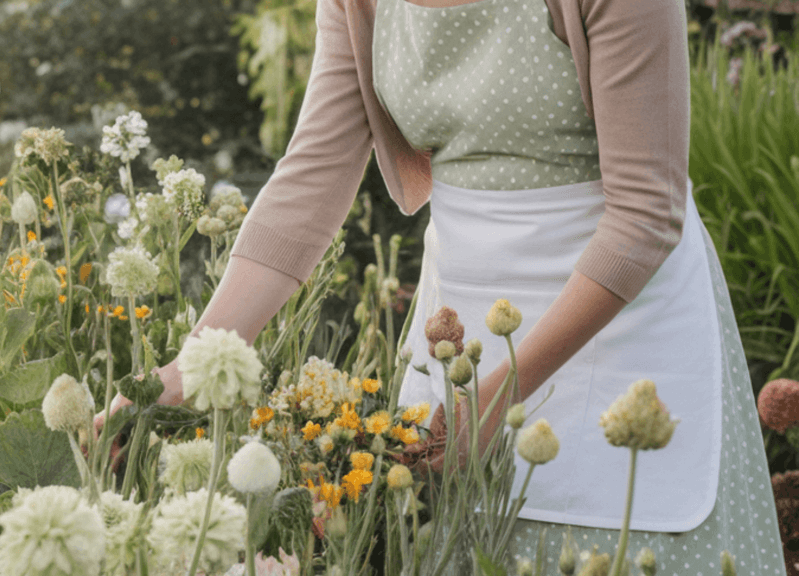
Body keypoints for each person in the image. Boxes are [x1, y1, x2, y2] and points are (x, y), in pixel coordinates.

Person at [95, 0, 788, 572]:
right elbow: (310, 180)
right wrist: (191, 366)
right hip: (461, 335)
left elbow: (644, 218)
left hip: (622, 322)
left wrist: (499, 399)